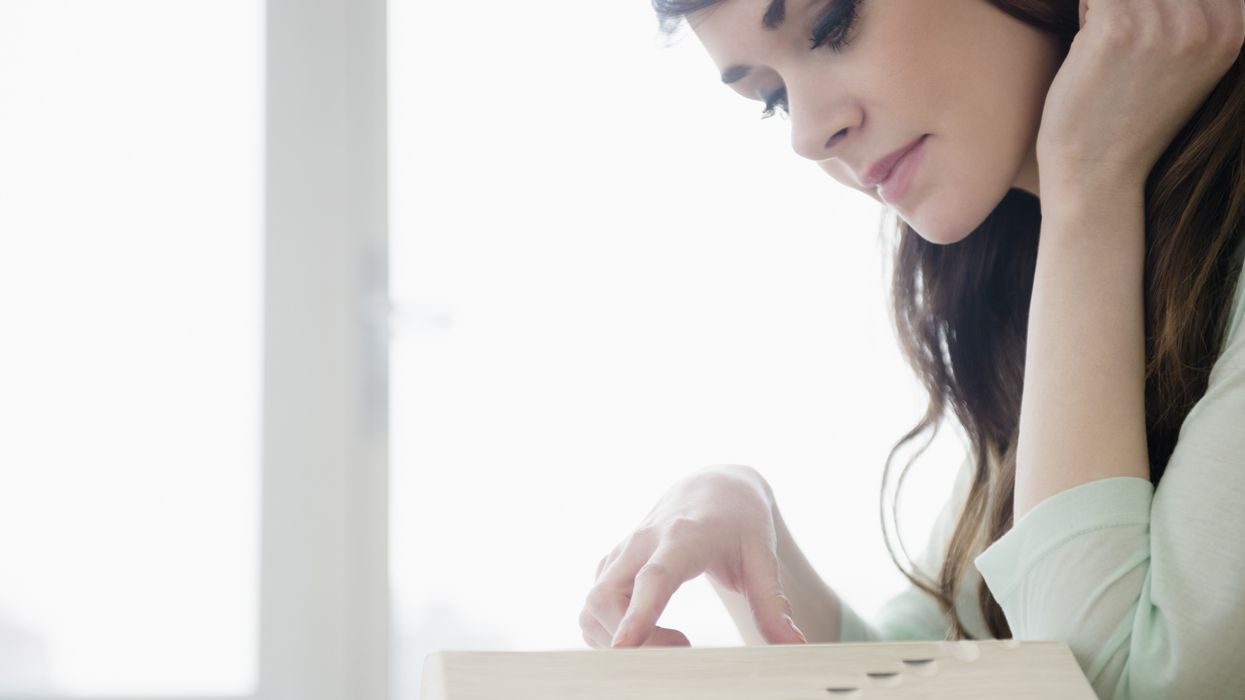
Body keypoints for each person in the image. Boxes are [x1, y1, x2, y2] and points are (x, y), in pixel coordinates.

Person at [578, 1, 1245, 698]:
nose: (809, 134)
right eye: (771, 99)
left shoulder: (1093, 223)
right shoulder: (1044, 272)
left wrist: (1091, 177)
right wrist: (743, 525)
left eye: (831, 24)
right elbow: (929, 668)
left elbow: (1108, 686)